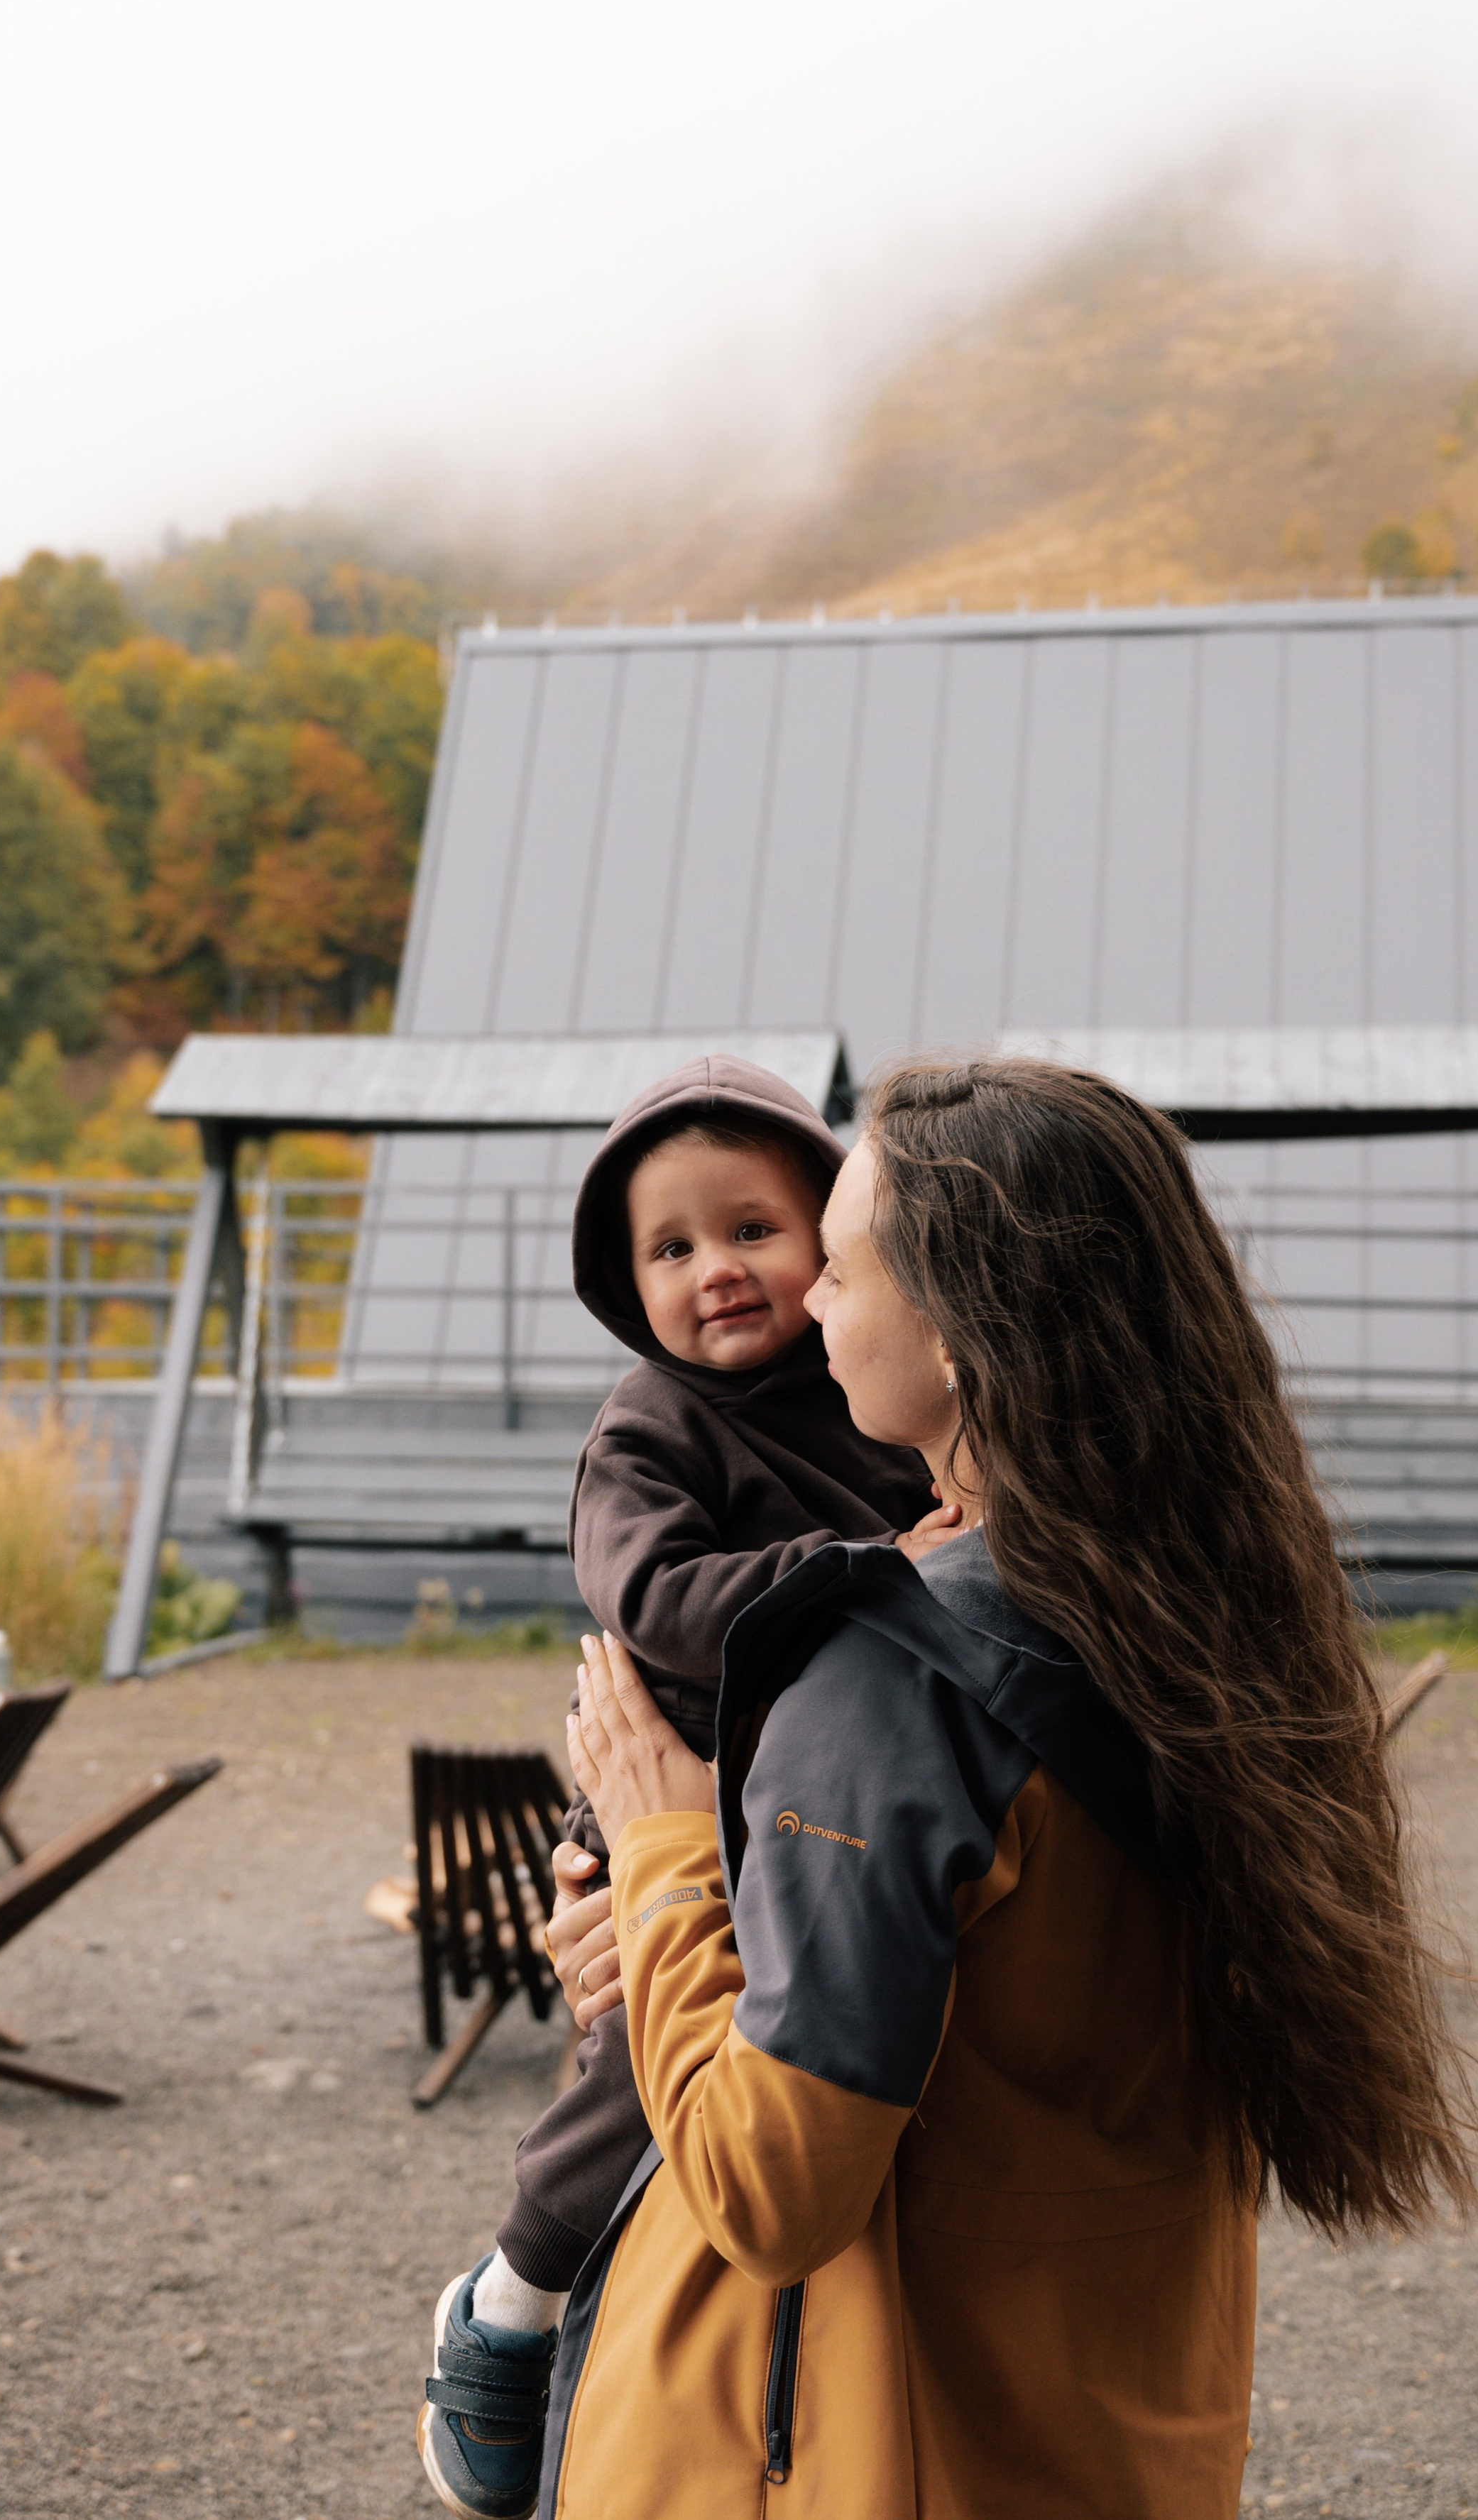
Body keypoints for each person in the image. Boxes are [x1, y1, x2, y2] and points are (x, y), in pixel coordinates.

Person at [537, 1055, 1478, 2520]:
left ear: (965, 1330)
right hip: (1109, 2429)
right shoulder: (1193, 1602)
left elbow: (773, 2188)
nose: (814, 1305)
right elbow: (1019, 1997)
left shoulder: (892, 1675)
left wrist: (661, 1849)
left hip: (879, 2447)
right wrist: (706, 1911)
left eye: (836, 1264)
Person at [417, 1056, 946, 2519]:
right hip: (689, 1775)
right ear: (623, 1281)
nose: (715, 1269)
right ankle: (513, 2287)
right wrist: (859, 1578)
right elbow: (652, 1595)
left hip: (824, 1788)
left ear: (832, 1242)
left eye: (753, 1230)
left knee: (782, 2076)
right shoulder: (647, 1428)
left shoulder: (871, 1397)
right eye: (669, 1246)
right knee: (642, 2067)